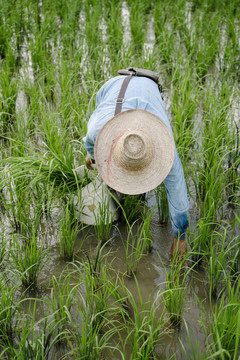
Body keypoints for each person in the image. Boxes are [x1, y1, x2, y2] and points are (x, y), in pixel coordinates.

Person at [83, 72, 189, 265]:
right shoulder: (97, 129)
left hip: (149, 89)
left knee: (149, 176)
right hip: (113, 87)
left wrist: (180, 237)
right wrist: (93, 157)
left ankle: (134, 192)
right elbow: (90, 142)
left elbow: (177, 193)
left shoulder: (166, 148)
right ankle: (121, 190)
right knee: (108, 172)